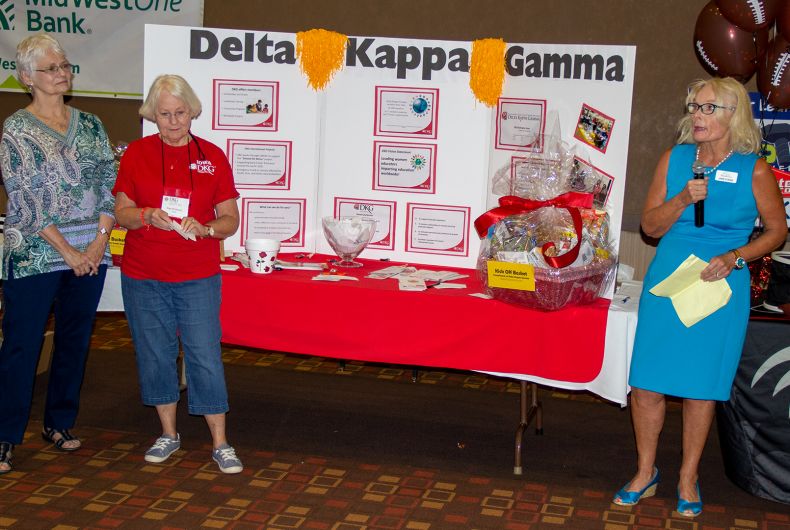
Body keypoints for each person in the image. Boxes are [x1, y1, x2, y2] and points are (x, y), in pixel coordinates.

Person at [613, 78, 786, 517]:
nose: (699, 115)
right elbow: (651, 227)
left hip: (719, 284)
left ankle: (688, 477)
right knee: (647, 384)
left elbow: (777, 232)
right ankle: (645, 470)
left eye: (710, 108)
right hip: (670, 280)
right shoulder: (675, 159)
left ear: (733, 115)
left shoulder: (755, 168)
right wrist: (681, 200)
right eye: (695, 106)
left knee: (699, 388)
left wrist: (735, 257)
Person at [113, 74, 243, 474]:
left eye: (180, 113)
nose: (173, 122)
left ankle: (221, 442)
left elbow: (230, 220)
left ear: (192, 111)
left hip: (197, 274)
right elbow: (121, 213)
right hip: (143, 274)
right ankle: (168, 433)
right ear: (152, 115)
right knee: (155, 355)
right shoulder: (136, 153)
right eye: (164, 114)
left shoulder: (213, 156)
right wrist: (147, 215)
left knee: (205, 355)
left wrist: (206, 228)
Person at [0, 34, 116, 473]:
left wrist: (98, 242)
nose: (62, 73)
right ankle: (5, 435)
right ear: (27, 77)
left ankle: (59, 423)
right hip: (35, 253)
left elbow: (110, 183)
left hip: (91, 251)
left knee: (75, 340)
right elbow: (25, 196)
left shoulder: (90, 124)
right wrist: (68, 250)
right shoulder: (17, 127)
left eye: (65, 65)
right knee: (21, 345)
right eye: (51, 68)